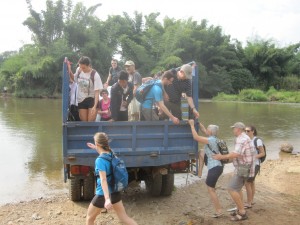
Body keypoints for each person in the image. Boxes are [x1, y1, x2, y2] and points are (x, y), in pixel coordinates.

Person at [85, 132, 138, 225]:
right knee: (124, 218)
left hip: (102, 194)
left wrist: (107, 199)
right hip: (115, 191)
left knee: (89, 219)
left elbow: (103, 180)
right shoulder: (111, 154)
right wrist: (95, 147)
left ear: (98, 144)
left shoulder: (100, 160)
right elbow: (104, 151)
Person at [213, 122, 255, 221]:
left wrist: (221, 157)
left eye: (234, 128)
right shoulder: (245, 137)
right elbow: (239, 154)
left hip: (243, 167)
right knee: (238, 188)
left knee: (231, 188)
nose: (233, 130)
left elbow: (236, 154)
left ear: (238, 129)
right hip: (246, 167)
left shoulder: (241, 139)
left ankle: (242, 213)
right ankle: (240, 209)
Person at [188, 120, 224, 218]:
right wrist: (197, 122)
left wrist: (192, 125)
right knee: (201, 151)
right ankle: (199, 173)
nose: (206, 129)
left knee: (211, 189)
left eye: (208, 129)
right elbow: (203, 130)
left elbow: (196, 137)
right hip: (217, 166)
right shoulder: (213, 138)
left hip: (215, 167)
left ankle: (219, 210)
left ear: (211, 132)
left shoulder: (211, 140)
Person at [67, 56, 103, 121]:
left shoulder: (95, 75)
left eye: (83, 68)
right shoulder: (79, 70)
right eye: (80, 67)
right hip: (81, 99)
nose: (82, 69)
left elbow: (97, 92)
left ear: (89, 65)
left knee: (90, 122)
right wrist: (69, 69)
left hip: (92, 99)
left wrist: (95, 107)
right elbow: (74, 79)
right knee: (84, 122)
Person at [244, 125, 265, 208]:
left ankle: (249, 203)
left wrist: (253, 157)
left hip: (255, 164)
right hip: (249, 164)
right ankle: (251, 200)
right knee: (251, 182)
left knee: (247, 183)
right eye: (245, 131)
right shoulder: (247, 140)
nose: (246, 132)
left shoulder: (257, 140)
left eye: (248, 131)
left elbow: (262, 153)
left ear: (253, 131)